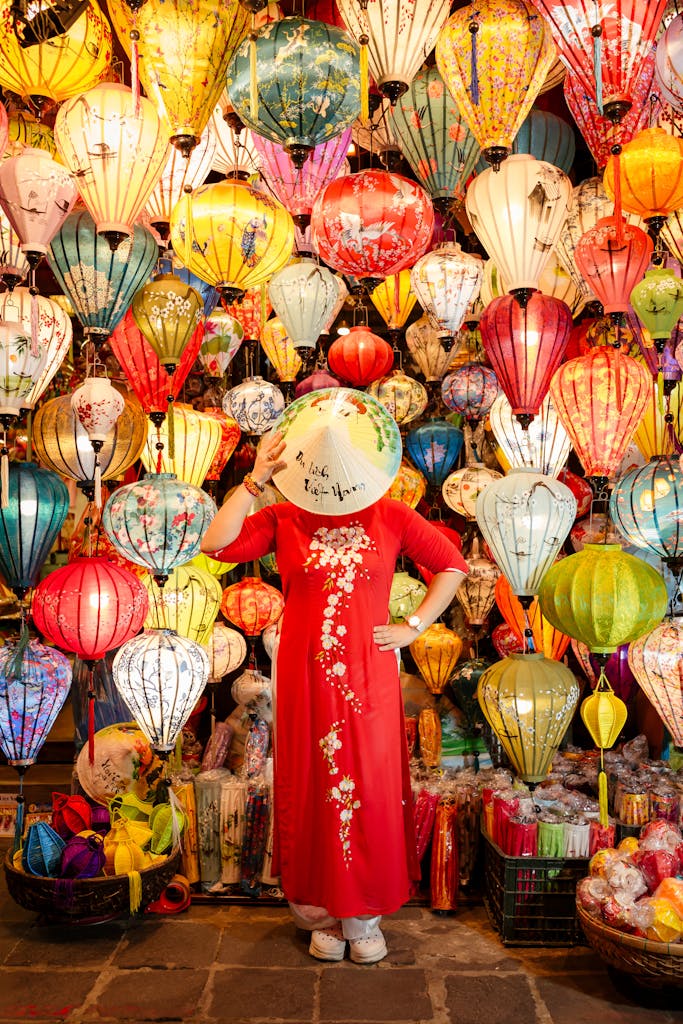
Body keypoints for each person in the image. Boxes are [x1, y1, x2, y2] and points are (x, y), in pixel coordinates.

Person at [201, 429, 468, 964]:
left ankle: (362, 914)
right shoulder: (284, 518)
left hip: (367, 674)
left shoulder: (391, 515)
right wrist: (256, 480)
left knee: (367, 782)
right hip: (302, 673)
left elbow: (453, 565)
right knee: (309, 781)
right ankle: (320, 912)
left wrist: (414, 626)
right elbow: (215, 544)